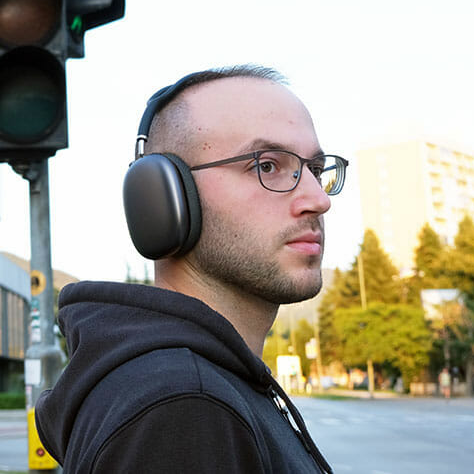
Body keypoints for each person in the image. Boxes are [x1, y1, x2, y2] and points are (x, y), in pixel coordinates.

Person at [35, 66, 342, 473]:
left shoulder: (202, 386)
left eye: (316, 171)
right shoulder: (183, 406)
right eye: (267, 165)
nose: (318, 199)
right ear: (164, 198)